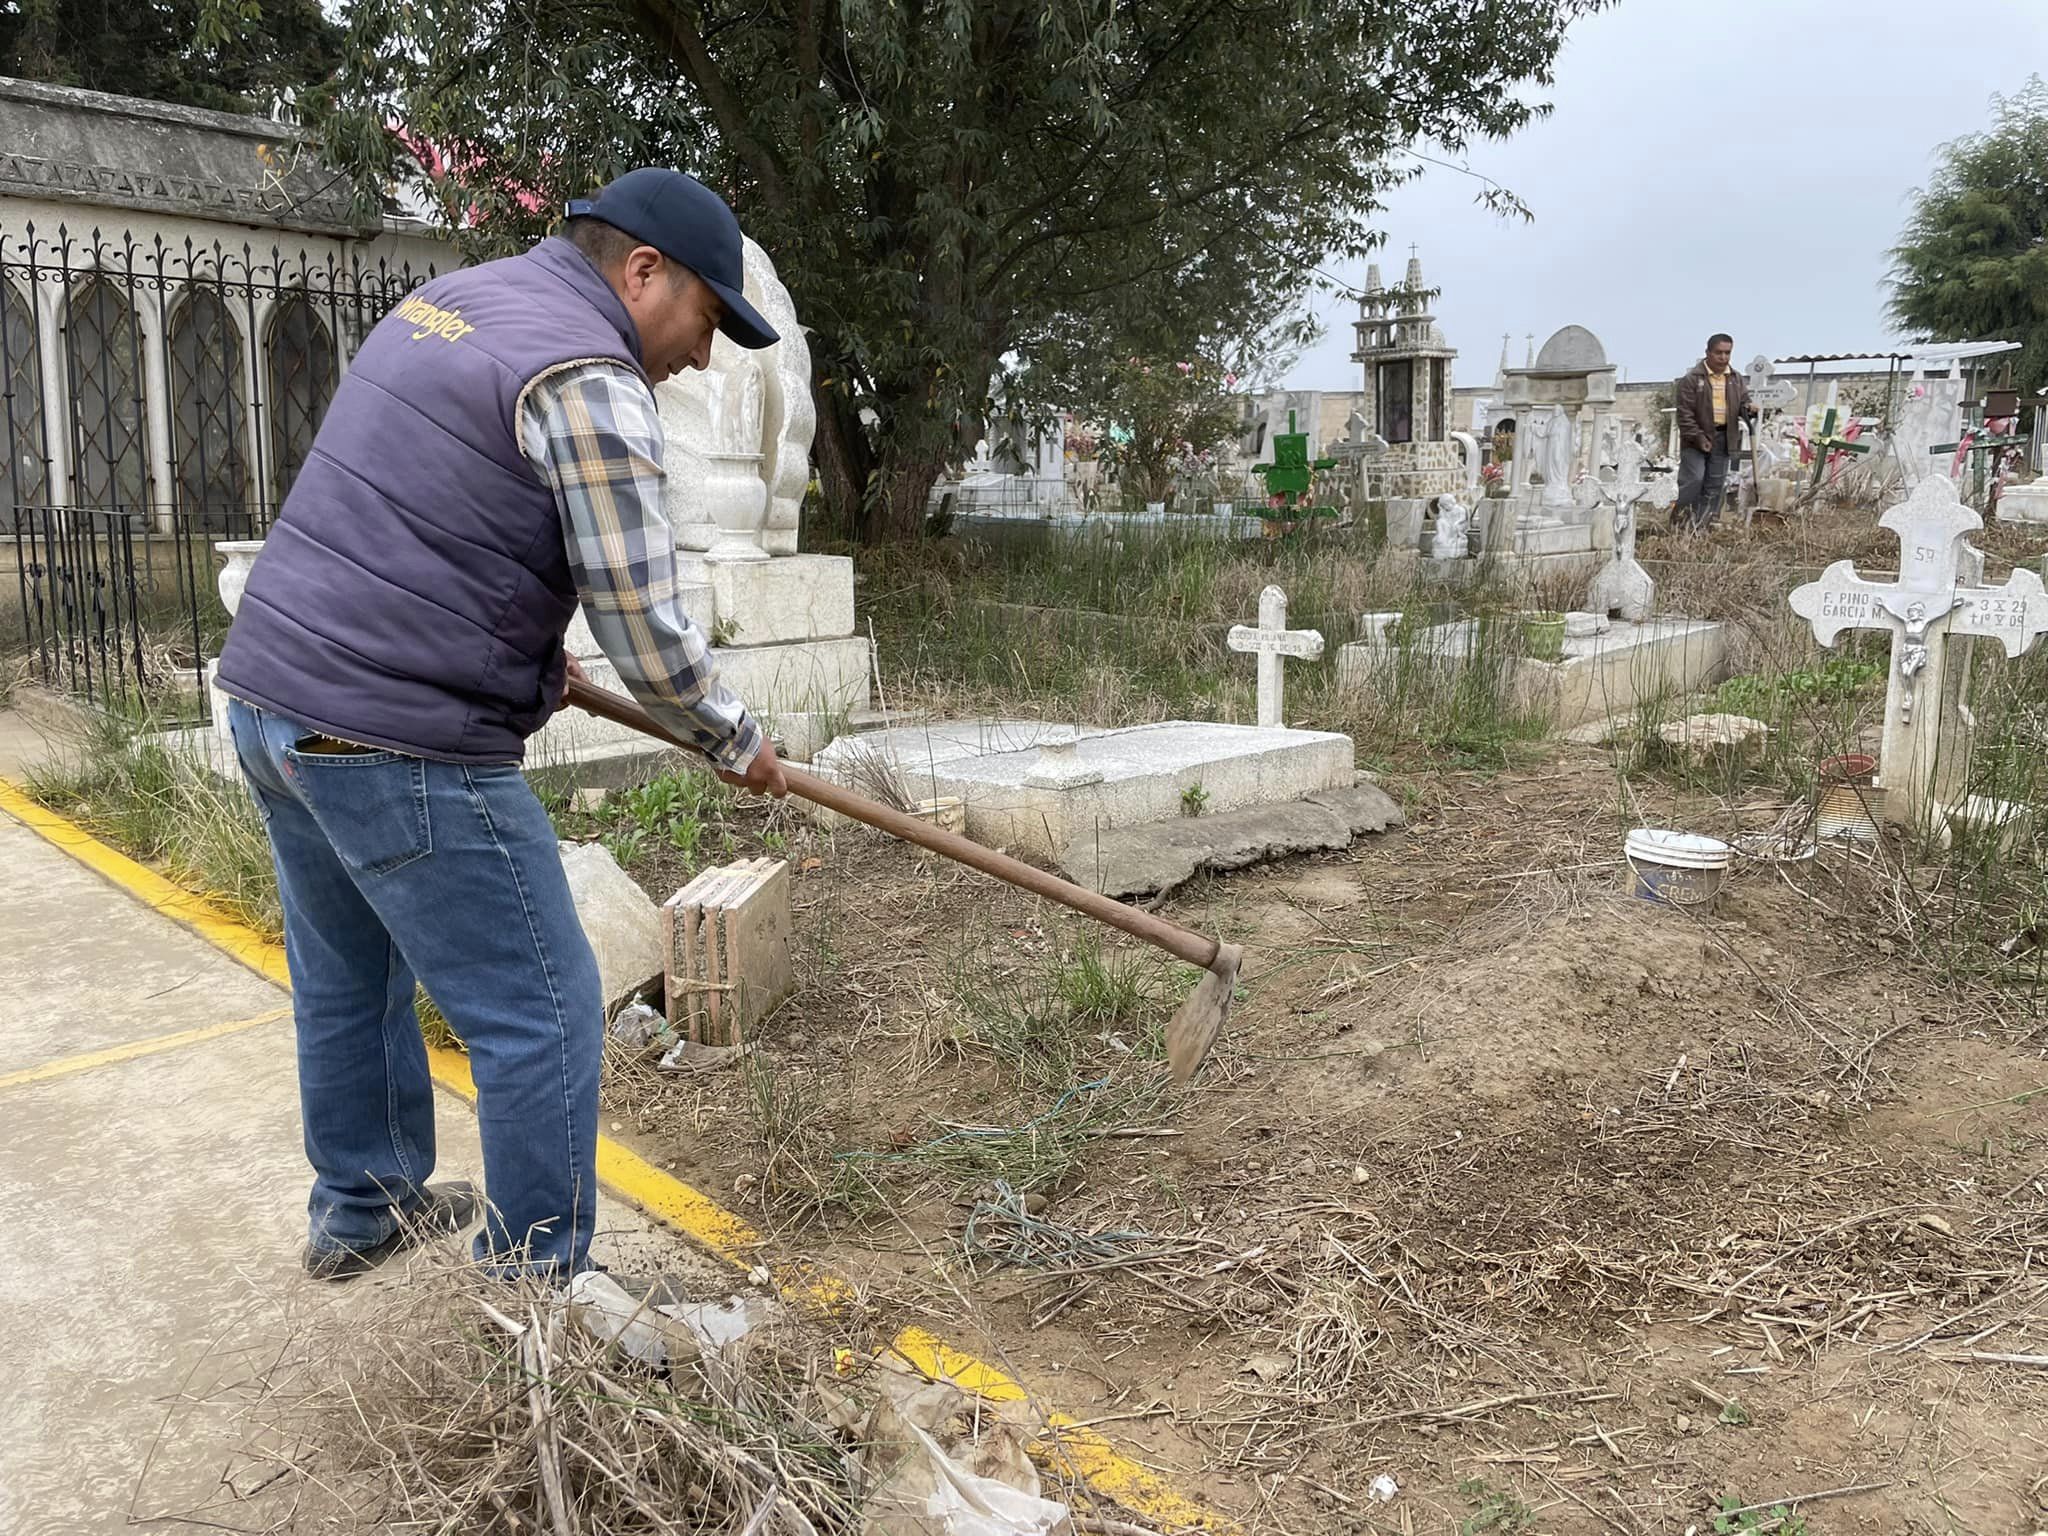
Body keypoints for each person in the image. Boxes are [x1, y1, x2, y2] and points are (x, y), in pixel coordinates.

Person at [214, 168, 790, 1282]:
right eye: (706, 320)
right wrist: (733, 738)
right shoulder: (586, 375)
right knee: (545, 1010)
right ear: (641, 271)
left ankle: (362, 1206)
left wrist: (528, 651)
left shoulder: (460, 302)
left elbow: (423, 512)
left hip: (279, 709)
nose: (703, 357)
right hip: (387, 738)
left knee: (348, 971)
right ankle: (535, 1285)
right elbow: (643, 622)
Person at [1672, 333, 1755, 531]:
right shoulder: (1692, 379)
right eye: (1719, 352)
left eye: (1727, 353)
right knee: (1694, 479)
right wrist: (1699, 437)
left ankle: (1701, 528)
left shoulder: (1735, 379)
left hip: (1724, 437)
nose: (1723, 357)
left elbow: (1743, 401)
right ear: (1708, 352)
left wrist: (1749, 408)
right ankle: (1681, 523)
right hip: (1695, 439)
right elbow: (1685, 415)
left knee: (1714, 485)